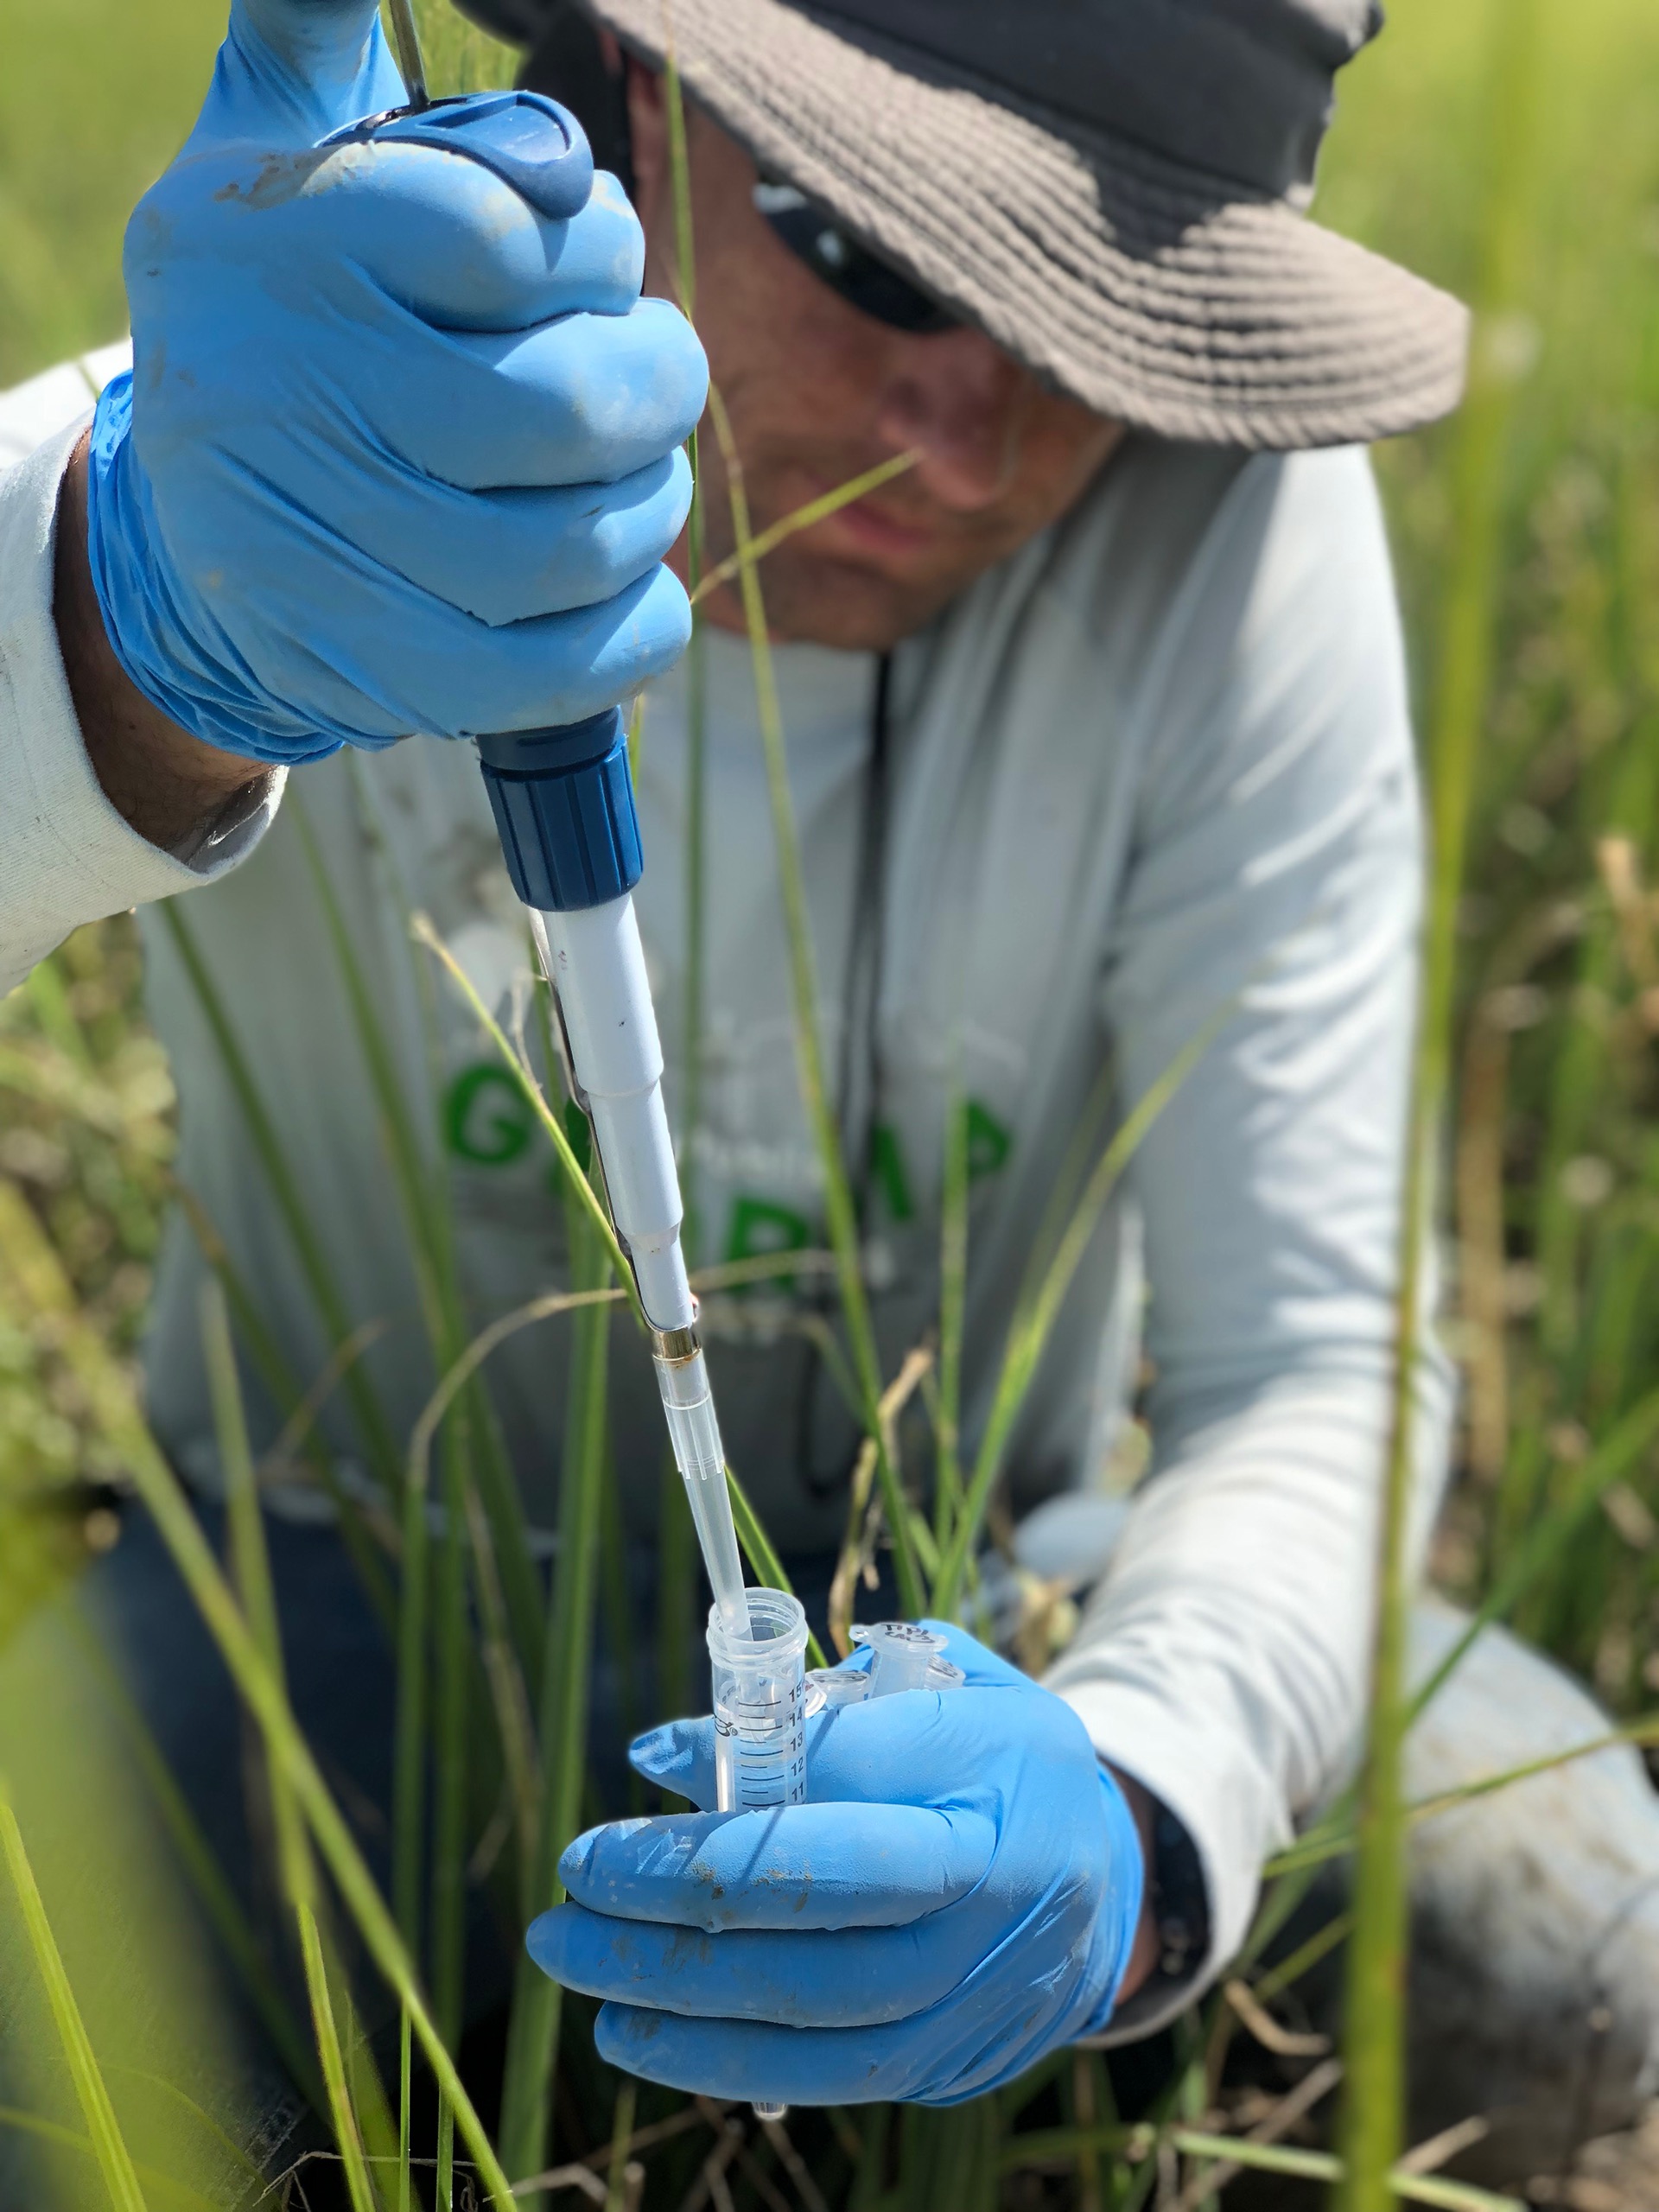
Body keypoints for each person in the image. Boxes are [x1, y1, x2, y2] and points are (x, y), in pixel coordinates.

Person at [0, 0, 1466, 2149]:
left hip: (1002, 1640)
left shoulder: (1236, 545)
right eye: (883, 246)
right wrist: (115, 635)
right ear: (620, 89)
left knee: (1593, 1934)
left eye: (1110, 322)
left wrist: (1148, 1800)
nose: (972, 437)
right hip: (301, 1600)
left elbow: (1321, 1355)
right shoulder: (287, 432)